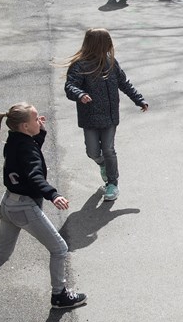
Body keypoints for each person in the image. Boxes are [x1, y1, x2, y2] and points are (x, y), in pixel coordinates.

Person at [0, 103, 88, 315]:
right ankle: (59, 295)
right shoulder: (27, 147)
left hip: (8, 203)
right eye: (36, 120)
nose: (40, 121)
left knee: (1, 254)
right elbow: (34, 174)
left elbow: (30, 153)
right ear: (25, 126)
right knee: (60, 249)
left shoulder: (14, 140)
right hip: (25, 207)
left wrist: (41, 132)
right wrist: (53, 194)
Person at [64, 28, 149, 200]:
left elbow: (124, 83)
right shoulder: (79, 66)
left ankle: (112, 184)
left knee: (109, 149)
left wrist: (138, 99)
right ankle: (102, 164)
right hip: (90, 117)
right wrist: (80, 95)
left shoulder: (111, 63)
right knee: (93, 152)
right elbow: (70, 86)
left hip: (110, 117)